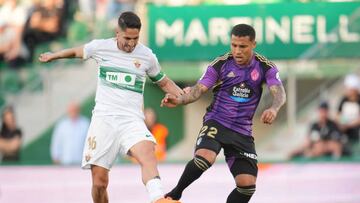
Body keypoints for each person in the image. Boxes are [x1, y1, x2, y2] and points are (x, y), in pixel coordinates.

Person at [39, 11, 182, 203]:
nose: (131, 43)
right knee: (99, 183)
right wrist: (53, 56)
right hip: (103, 120)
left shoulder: (147, 56)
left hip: (131, 120)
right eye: (127, 38)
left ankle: (158, 199)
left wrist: (183, 95)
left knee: (148, 153)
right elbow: (75, 52)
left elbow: (164, 82)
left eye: (136, 38)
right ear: (117, 32)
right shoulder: (101, 47)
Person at [161, 24, 286, 203]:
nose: (237, 51)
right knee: (205, 158)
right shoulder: (221, 64)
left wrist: (274, 108)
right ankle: (174, 194)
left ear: (253, 44)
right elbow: (198, 90)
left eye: (242, 46)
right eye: (233, 45)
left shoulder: (265, 67)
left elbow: (279, 91)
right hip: (217, 121)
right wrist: (179, 100)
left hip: (242, 131)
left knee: (247, 186)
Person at [336, 74, 360, 144]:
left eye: (348, 88)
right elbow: (337, 114)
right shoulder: (344, 99)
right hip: (344, 128)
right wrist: (342, 122)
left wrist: (349, 124)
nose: (346, 90)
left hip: (356, 129)